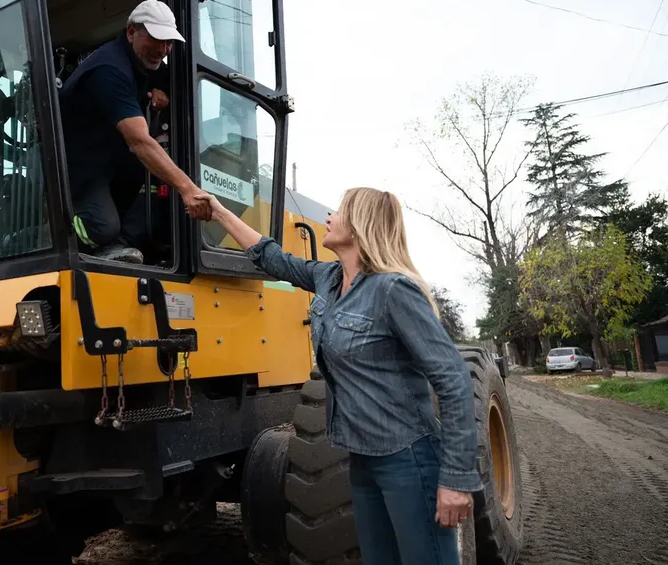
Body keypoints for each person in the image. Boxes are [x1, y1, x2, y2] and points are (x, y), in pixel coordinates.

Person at [193, 187, 481, 565]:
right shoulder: (329, 279)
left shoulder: (394, 290)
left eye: (338, 211)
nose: (328, 218)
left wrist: (457, 479)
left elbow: (454, 380)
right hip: (361, 459)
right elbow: (272, 257)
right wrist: (219, 213)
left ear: (360, 225)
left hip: (408, 458)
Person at [58, 0, 211, 264]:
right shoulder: (109, 70)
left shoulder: (144, 62)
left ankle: (120, 243)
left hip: (110, 164)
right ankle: (45, 237)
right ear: (131, 32)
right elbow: (139, 141)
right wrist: (189, 190)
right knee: (101, 227)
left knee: (157, 183)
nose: (162, 50)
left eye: (168, 43)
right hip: (76, 168)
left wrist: (167, 97)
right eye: (155, 40)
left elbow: (166, 79)